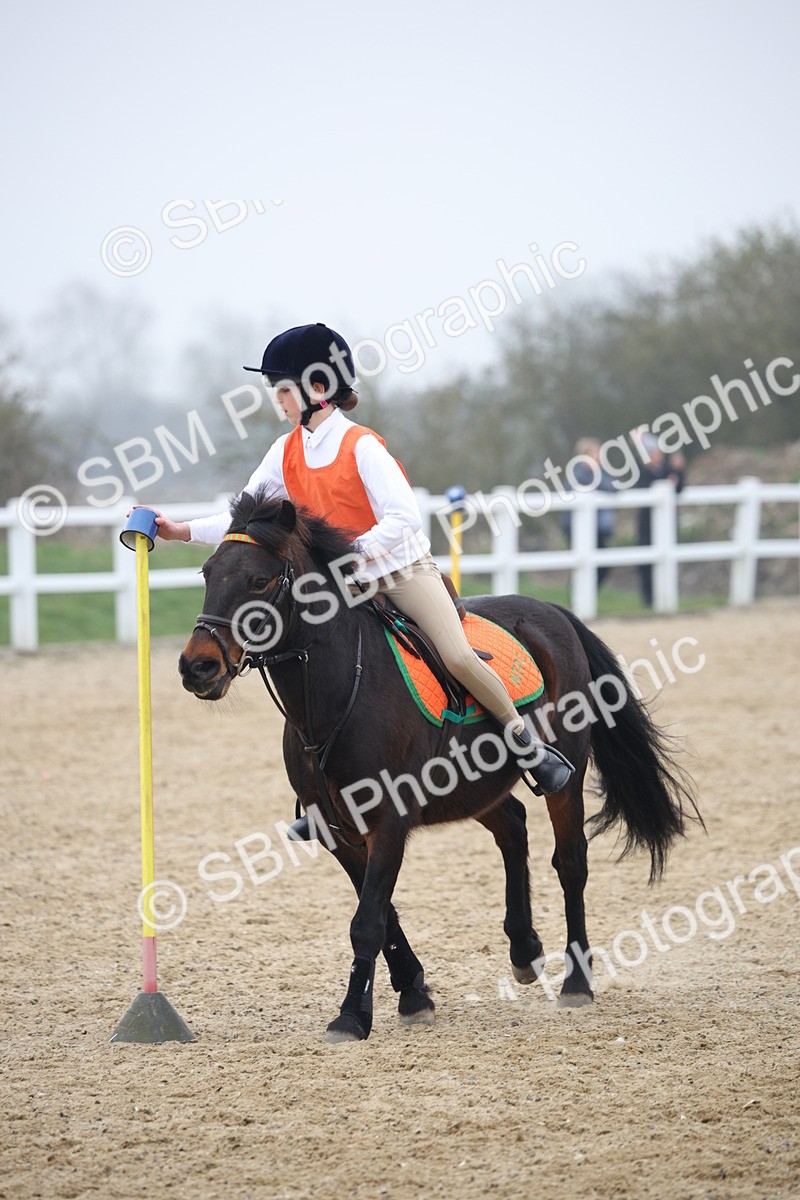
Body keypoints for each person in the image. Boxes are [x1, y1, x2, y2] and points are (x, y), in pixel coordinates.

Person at [151, 323, 574, 795]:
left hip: (401, 571)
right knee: (299, 660)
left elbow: (405, 518)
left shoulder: (362, 446)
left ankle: (526, 744)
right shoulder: (284, 450)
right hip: (340, 582)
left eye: (283, 389)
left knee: (455, 654)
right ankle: (320, 793)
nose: (277, 399)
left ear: (318, 389)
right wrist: (179, 531)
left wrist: (352, 557)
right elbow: (241, 516)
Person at [634, 434, 685, 607]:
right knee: (646, 563)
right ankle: (648, 599)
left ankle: (662, 597)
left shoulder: (666, 468)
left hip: (666, 524)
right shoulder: (641, 471)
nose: (660, 456)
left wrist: (679, 471)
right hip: (646, 523)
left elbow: (679, 488)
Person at [567, 438, 616, 588]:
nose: (599, 456)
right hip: (581, 527)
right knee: (592, 564)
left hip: (595, 528)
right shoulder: (579, 473)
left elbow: (613, 488)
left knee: (600, 565)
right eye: (595, 453)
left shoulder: (598, 473)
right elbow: (607, 487)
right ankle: (580, 596)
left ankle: (583, 596)